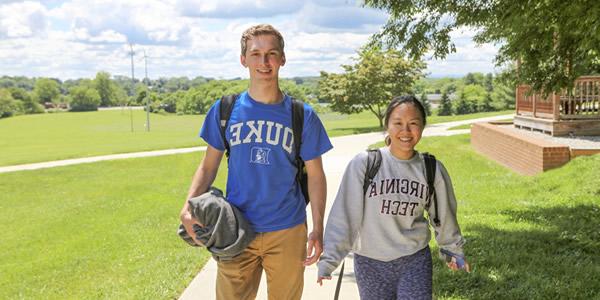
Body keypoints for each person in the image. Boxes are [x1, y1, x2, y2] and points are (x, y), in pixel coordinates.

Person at [180, 24, 333, 300]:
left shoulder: (302, 115)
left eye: (272, 54)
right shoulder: (225, 110)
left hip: (287, 229)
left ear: (282, 59)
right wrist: (188, 206)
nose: (264, 62)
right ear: (243, 60)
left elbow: (316, 176)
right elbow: (208, 166)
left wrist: (318, 229)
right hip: (235, 229)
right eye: (256, 54)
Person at [317, 95, 470, 299]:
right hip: (370, 262)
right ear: (387, 125)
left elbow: (444, 216)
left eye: (413, 124)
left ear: (423, 127)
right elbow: (345, 215)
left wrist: (453, 251)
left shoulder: (431, 169)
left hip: (414, 261)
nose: (405, 131)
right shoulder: (365, 164)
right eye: (398, 123)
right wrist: (329, 260)